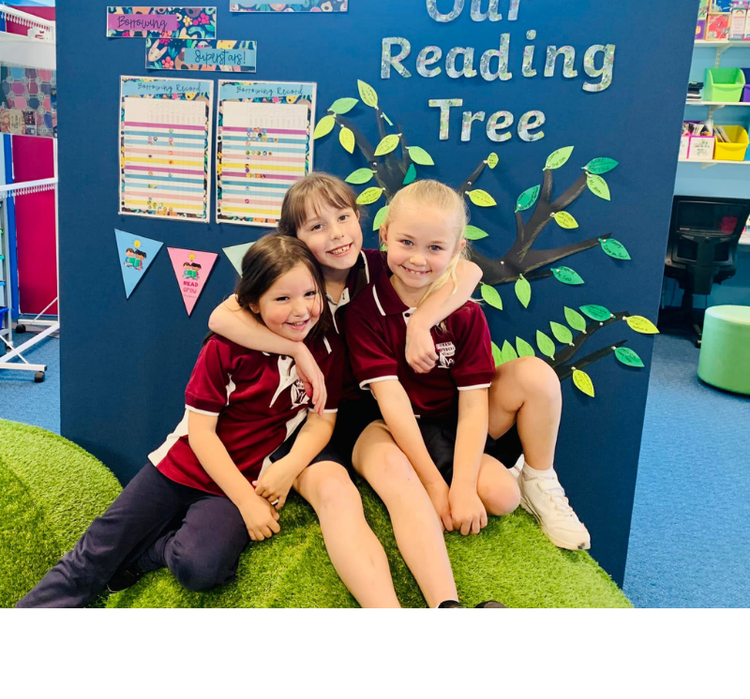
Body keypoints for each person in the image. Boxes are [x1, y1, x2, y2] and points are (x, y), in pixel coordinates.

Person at [17, 235, 401, 608]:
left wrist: (288, 467)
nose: (301, 310)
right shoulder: (225, 348)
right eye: (282, 298)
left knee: (202, 567)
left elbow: (322, 420)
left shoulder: (326, 349)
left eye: (310, 294)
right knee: (95, 553)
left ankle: (151, 553)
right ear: (251, 303)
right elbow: (201, 434)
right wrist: (248, 503)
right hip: (180, 467)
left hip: (236, 479)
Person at [208, 172, 501, 608]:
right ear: (293, 238)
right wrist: (298, 352)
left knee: (412, 478)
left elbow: (469, 269)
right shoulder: (287, 279)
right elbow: (220, 317)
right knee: (337, 495)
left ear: (364, 220)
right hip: (302, 421)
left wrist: (421, 322)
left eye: (343, 217)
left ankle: (448, 607)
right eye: (316, 226)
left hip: (365, 413)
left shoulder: (381, 262)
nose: (336, 234)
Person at [345, 179, 590, 554]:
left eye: (435, 248)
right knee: (487, 495)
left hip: (456, 421)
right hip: (400, 426)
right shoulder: (366, 309)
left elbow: (474, 403)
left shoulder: (466, 312)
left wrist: (461, 486)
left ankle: (538, 480)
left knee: (504, 497)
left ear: (457, 250)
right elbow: (392, 404)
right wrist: (434, 485)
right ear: (385, 235)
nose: (417, 259)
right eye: (406, 242)